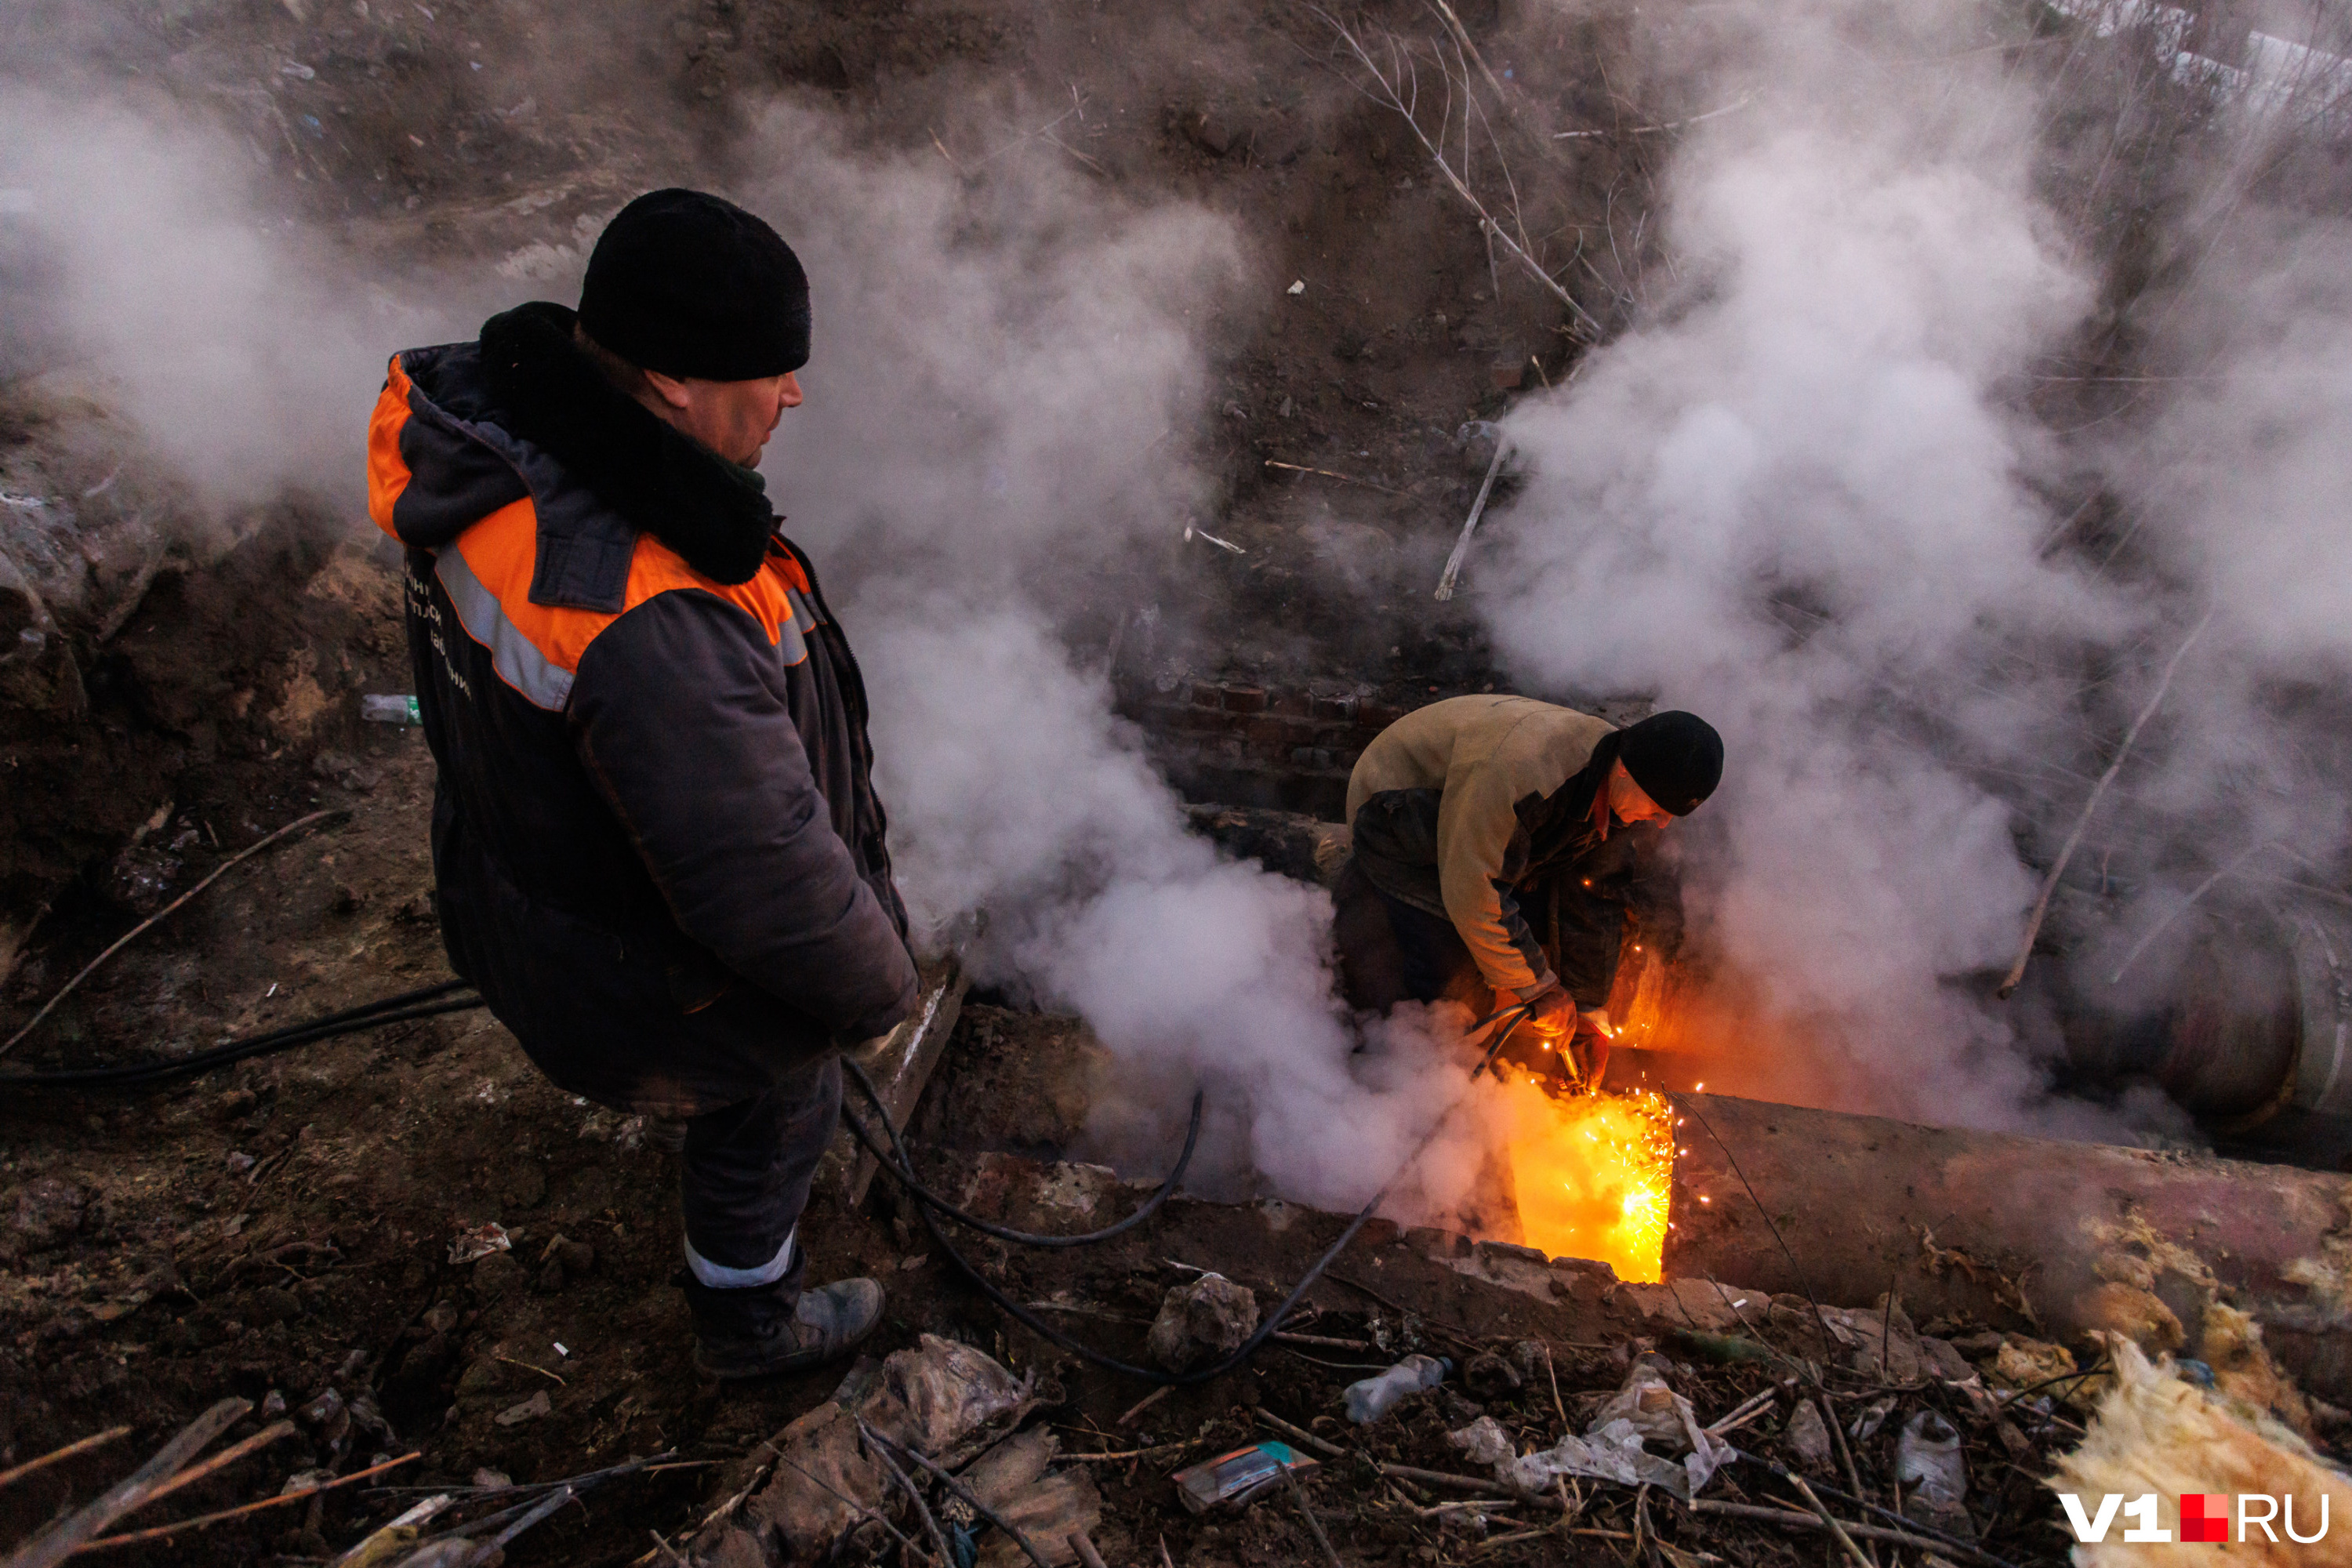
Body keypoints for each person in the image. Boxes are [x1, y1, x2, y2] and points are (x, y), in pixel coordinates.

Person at [365, 188, 917, 1379]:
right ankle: (748, 1321)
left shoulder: (489, 456)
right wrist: (877, 987)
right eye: (772, 370)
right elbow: (763, 880)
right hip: (638, 993)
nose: (793, 394)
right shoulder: (645, 610)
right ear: (671, 382)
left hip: (512, 907)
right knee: (782, 1087)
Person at [1334, 697, 1722, 1086]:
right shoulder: (1528, 774)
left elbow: (1595, 897)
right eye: (1657, 808)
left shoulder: (1613, 791)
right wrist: (1538, 987)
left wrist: (1587, 1010)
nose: (1661, 824)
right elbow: (1474, 888)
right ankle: (1408, 1074)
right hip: (1393, 816)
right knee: (1456, 965)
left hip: (1473, 827)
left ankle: (1449, 1059)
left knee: (1519, 950)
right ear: (1623, 770)